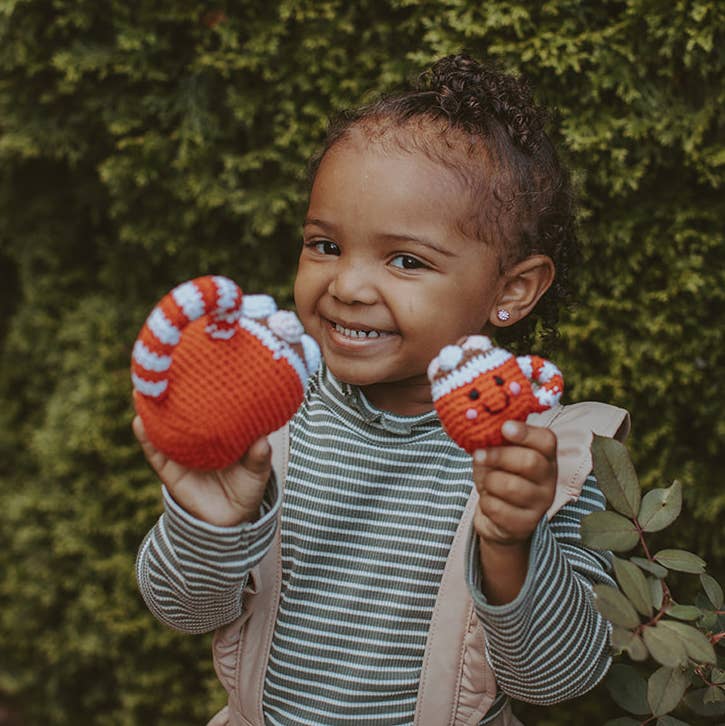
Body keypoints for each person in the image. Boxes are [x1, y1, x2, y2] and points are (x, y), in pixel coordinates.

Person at [134, 54, 629, 725]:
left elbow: (556, 680)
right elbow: (184, 612)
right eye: (325, 245)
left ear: (511, 290)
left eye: (405, 260)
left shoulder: (543, 461)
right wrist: (209, 524)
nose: (347, 286)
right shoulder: (272, 416)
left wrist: (514, 546)